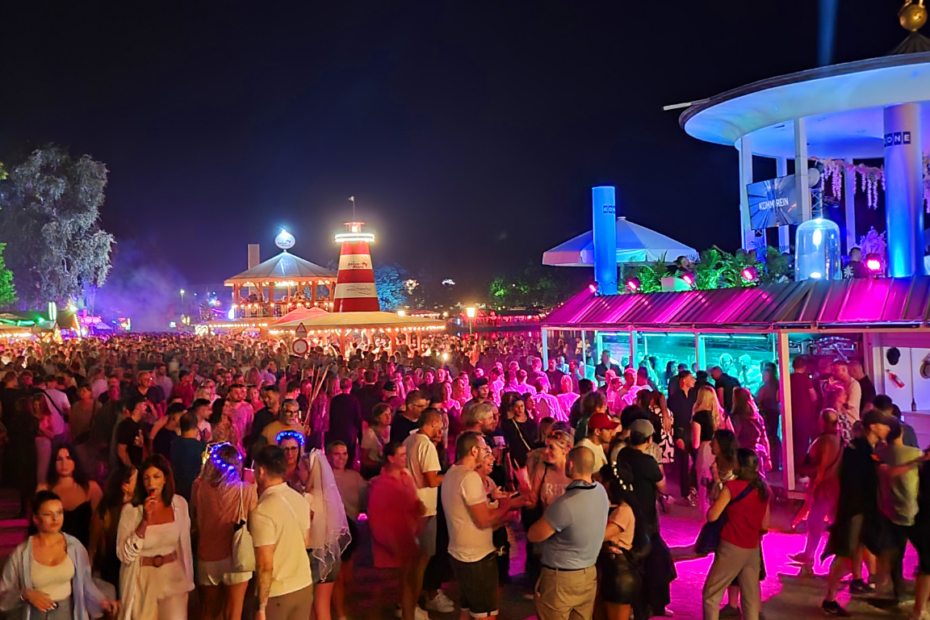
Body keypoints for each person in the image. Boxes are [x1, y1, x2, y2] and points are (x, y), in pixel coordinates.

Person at [442, 432, 522, 620]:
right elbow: (484, 520)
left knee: (467, 610)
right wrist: (506, 505)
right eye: (485, 449)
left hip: (459, 553)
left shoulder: (452, 472)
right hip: (476, 557)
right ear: (474, 451)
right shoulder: (469, 477)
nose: (488, 453)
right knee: (485, 615)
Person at [0, 490, 117, 619]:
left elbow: (86, 584)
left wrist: (103, 603)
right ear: (36, 518)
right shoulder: (22, 553)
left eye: (59, 513)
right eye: (48, 514)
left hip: (67, 614)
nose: (55, 519)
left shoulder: (74, 547)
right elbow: (4, 594)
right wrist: (25, 594)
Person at [821, 409, 892, 616]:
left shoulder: (861, 448)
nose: (887, 428)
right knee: (845, 555)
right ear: (873, 427)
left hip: (859, 511)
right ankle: (830, 599)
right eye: (883, 424)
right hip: (855, 511)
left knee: (858, 552)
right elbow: (854, 484)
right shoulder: (860, 451)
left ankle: (872, 588)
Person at [528, 446, 609, 620]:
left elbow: (534, 534)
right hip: (588, 574)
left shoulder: (565, 504)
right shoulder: (601, 492)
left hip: (561, 578)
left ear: (570, 464)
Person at [116, 454, 195, 620]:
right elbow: (124, 555)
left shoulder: (179, 504)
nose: (151, 483)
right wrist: (144, 521)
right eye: (146, 478)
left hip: (173, 578)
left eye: (156, 477)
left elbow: (185, 547)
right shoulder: (131, 511)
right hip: (143, 581)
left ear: (165, 478)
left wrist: (189, 581)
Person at [190, 443, 257, 620]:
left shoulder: (199, 486)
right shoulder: (246, 490)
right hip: (236, 557)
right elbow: (255, 520)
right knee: (233, 612)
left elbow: (194, 516)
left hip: (207, 556)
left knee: (209, 611)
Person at [702, 449, 770, 620]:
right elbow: (764, 524)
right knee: (751, 598)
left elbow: (712, 516)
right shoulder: (763, 489)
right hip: (752, 548)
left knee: (711, 594)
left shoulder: (732, 488)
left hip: (731, 545)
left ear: (739, 465)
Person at [249, 445, 313, 620]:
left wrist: (261, 607)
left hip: (278, 593)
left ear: (261, 471)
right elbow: (305, 543)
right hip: (303, 584)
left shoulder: (262, 511)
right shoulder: (300, 500)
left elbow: (265, 565)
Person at [368, 441, 427, 620]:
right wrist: (390, 544)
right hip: (390, 546)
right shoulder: (381, 485)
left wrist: (419, 510)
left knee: (407, 584)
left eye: (405, 454)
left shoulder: (406, 477)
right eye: (401, 455)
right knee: (387, 590)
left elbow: (413, 503)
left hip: (407, 540)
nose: (404, 458)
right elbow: (376, 520)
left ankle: (408, 615)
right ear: (390, 458)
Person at [403, 408, 453, 614]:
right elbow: (431, 480)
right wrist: (453, 474)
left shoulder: (409, 440)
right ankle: (411, 608)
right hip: (424, 510)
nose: (442, 429)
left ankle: (406, 606)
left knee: (410, 565)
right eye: (441, 424)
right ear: (434, 422)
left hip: (409, 505)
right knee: (419, 564)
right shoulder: (425, 445)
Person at [874, 418, 924, 606]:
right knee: (924, 551)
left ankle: (898, 590)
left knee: (896, 551)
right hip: (912, 509)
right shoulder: (915, 454)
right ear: (901, 433)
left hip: (889, 509)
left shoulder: (881, 453)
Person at [791, 409, 842, 570]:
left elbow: (819, 469)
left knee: (815, 522)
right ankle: (813, 554)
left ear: (823, 423)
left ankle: (810, 555)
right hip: (834, 486)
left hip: (824, 487)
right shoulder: (839, 440)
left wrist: (812, 487)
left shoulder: (824, 441)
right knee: (832, 522)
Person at [599, 461, 648, 620]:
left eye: (600, 481)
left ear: (608, 484)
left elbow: (599, 536)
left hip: (619, 574)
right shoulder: (622, 508)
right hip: (614, 572)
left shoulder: (623, 511)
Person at [327, 441, 367, 620]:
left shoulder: (355, 477)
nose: (341, 458)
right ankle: (339, 613)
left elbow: (367, 499)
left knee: (347, 576)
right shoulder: (323, 477)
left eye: (344, 454)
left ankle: (339, 607)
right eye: (337, 454)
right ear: (329, 456)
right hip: (332, 529)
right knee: (339, 576)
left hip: (351, 528)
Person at [37, 445, 103, 549]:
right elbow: (37, 526)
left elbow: (99, 524)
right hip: (52, 551)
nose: (64, 463)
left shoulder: (91, 488)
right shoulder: (44, 490)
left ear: (75, 461)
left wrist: (92, 551)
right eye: (59, 459)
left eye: (68, 458)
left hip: (84, 549)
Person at [89, 466, 137, 595]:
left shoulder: (140, 508)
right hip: (112, 572)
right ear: (124, 485)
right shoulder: (106, 511)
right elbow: (93, 546)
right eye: (136, 480)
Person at [668, 371, 697, 501]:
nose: (694, 380)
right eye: (691, 378)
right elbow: (673, 420)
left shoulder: (693, 396)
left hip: (693, 431)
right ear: (684, 381)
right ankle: (685, 492)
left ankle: (694, 487)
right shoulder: (674, 398)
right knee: (683, 462)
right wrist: (677, 436)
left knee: (696, 460)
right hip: (681, 432)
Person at [789, 356, 818, 470]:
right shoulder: (807, 380)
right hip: (804, 415)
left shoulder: (786, 379)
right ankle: (799, 468)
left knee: (792, 441)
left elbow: (778, 397)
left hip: (790, 414)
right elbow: (814, 398)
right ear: (805, 367)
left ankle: (791, 467)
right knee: (803, 442)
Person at [170, 413, 205, 502]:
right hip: (193, 490)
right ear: (196, 427)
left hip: (177, 487)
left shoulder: (174, 444)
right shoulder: (200, 447)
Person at [328, 378, 363, 466]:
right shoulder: (354, 401)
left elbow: (331, 417)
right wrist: (360, 436)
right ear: (350, 387)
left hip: (336, 432)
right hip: (349, 433)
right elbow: (358, 419)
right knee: (348, 457)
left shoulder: (335, 400)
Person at [361, 402, 392, 479]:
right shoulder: (370, 434)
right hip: (373, 471)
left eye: (389, 414)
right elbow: (364, 459)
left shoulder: (391, 430)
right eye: (385, 415)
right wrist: (381, 464)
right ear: (377, 418)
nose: (388, 417)